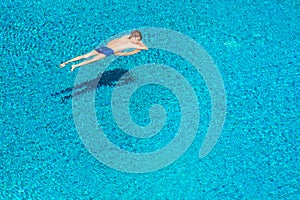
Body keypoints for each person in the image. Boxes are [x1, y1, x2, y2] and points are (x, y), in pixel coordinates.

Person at [60, 30, 148, 72]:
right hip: (109, 51)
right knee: (92, 60)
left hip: (105, 47)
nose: (138, 41)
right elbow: (145, 48)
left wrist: (122, 53)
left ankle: (65, 62)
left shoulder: (125, 36)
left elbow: (112, 41)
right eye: (138, 39)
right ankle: (75, 66)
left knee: (86, 55)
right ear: (135, 37)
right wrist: (138, 44)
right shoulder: (131, 44)